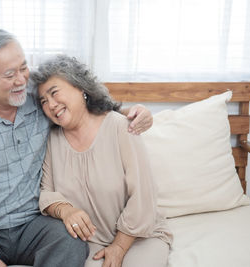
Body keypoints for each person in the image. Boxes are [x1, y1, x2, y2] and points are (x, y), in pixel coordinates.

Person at [0, 27, 153, 267]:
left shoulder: (37, 96)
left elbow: (78, 106)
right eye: (9, 74)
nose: (21, 80)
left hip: (32, 224)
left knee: (72, 243)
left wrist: (128, 113)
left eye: (23, 67)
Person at [31, 55, 173, 267]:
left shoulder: (120, 127)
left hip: (140, 237)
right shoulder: (53, 139)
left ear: (80, 88)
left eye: (54, 93)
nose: (51, 105)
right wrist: (66, 210)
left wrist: (119, 246)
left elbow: (143, 195)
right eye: (43, 101)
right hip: (89, 242)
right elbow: (47, 193)